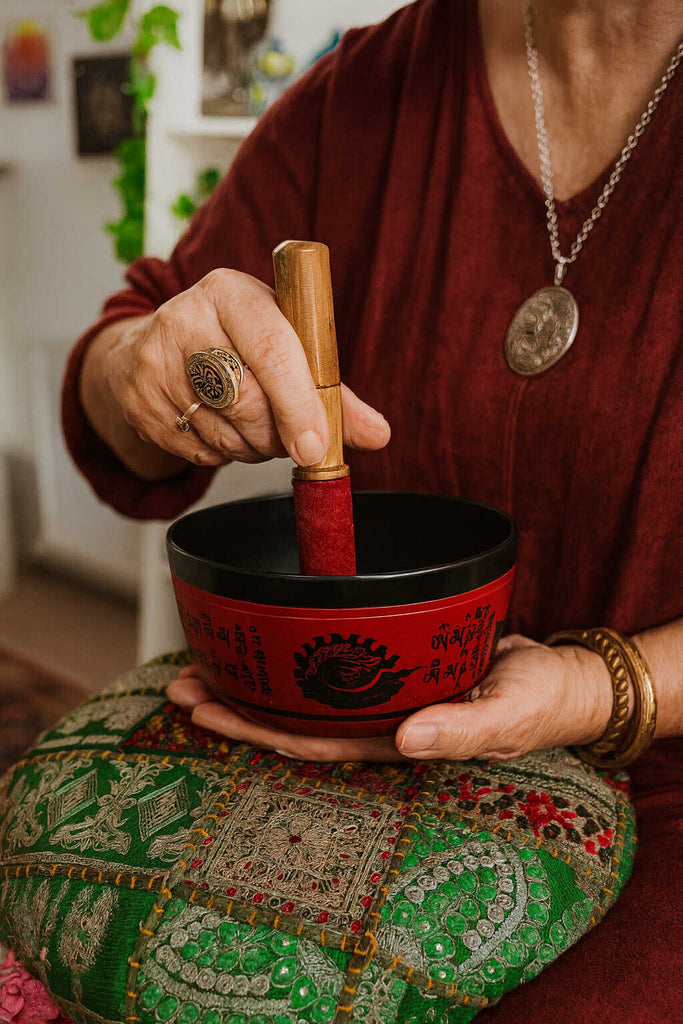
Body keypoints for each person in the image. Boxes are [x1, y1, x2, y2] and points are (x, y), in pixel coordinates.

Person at [62, 1, 682, 1020]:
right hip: (350, 746)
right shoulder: (361, 93)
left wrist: (598, 687)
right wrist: (145, 372)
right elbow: (120, 363)